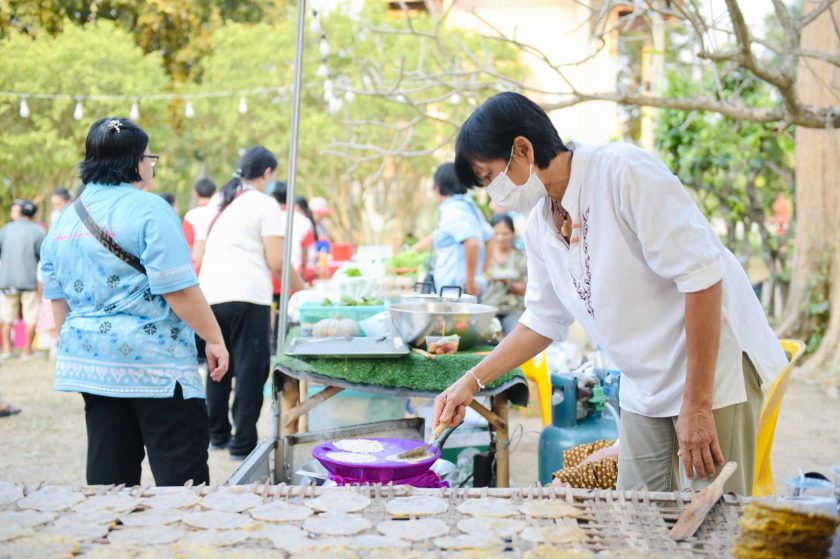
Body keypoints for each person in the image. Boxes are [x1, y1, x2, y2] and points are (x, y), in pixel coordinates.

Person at [432, 92, 787, 496]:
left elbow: (702, 278)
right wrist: (471, 382)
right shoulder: (539, 226)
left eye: (490, 177)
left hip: (711, 371)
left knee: (713, 513)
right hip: (644, 383)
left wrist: (698, 403)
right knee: (638, 512)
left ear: (523, 149)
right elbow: (542, 321)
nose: (492, 194)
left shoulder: (622, 172)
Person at [39, 117, 229, 486]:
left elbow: (58, 300)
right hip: (156, 366)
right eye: (149, 157)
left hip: (92, 366)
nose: (151, 165)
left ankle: (110, 526)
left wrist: (84, 346)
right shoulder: (149, 209)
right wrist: (214, 338)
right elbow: (179, 289)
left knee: (110, 475)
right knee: (181, 479)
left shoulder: (64, 221)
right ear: (134, 162)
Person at [194, 147, 305, 460]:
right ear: (267, 173)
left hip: (210, 295)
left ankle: (217, 435)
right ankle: (242, 443)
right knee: (250, 370)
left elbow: (198, 256)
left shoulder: (217, 201)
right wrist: (303, 290)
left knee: (218, 364)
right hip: (248, 294)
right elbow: (277, 261)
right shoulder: (264, 203)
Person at [413, 163, 493, 296]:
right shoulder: (469, 207)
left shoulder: (453, 211)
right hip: (463, 292)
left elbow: (472, 242)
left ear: (437, 187)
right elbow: (490, 236)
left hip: (454, 293)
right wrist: (483, 273)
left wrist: (471, 281)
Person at [0, 199, 46, 360]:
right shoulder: (38, 231)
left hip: (7, 281)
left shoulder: (6, 229)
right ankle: (26, 351)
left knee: (7, 317)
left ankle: (7, 350)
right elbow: (43, 256)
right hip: (29, 281)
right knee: (30, 316)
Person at [482, 213, 527, 335]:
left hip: (512, 309)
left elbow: (526, 288)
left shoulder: (520, 256)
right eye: (496, 233)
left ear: (512, 233)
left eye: (505, 233)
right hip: (487, 309)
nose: (500, 238)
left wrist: (508, 284)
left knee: (515, 335)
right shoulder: (483, 255)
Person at [183, 177, 217, 254]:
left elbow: (187, 245)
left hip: (197, 258)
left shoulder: (190, 216)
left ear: (195, 195)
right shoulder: (220, 213)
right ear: (214, 194)